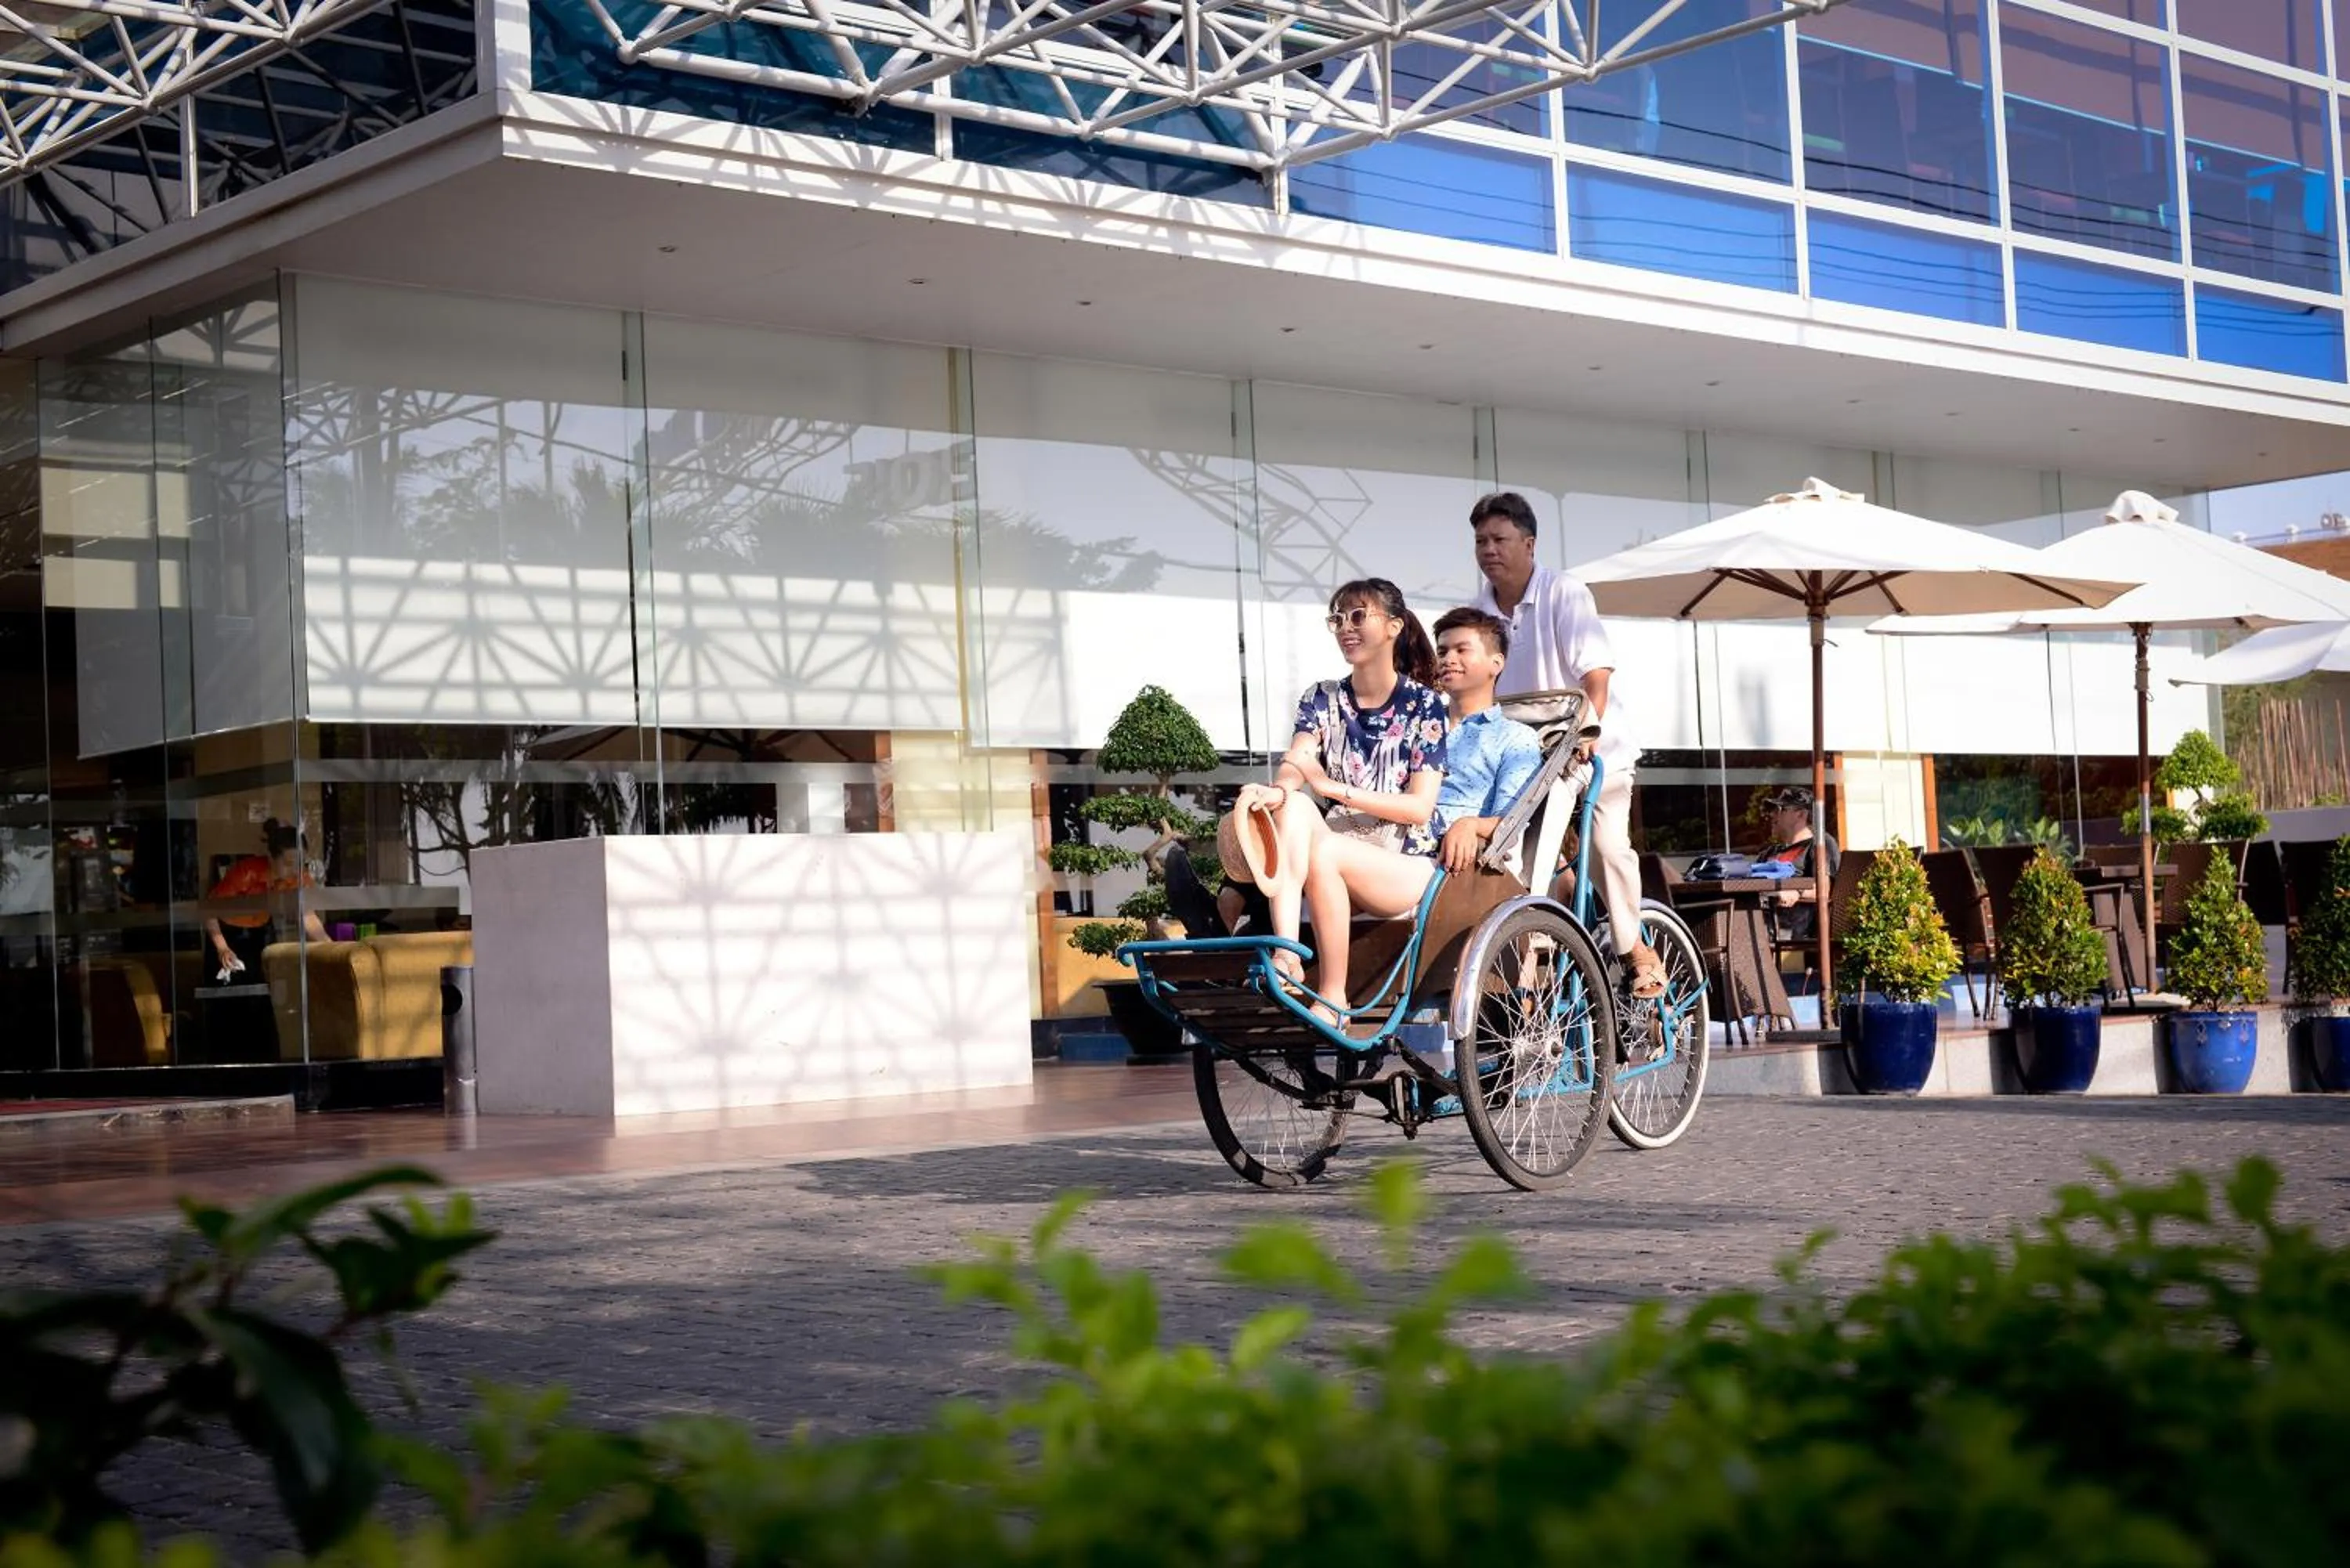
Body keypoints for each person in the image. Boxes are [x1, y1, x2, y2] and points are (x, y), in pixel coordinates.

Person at [1294, 606, 1542, 1015]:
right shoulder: (1413, 719)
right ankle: (1238, 920)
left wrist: (1473, 824)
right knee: (1296, 825)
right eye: (1443, 650)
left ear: (1496, 663)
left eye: (1463, 650)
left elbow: (1515, 816)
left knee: (1324, 852)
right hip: (1381, 843)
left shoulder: (1513, 738)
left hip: (1446, 868)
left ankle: (1331, 995)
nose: (1448, 659)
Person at [1216, 579, 1448, 1003]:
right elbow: (1297, 759)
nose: (1346, 627)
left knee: (1323, 846)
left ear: (1394, 626)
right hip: (1340, 847)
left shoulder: (1425, 704)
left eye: (1359, 616)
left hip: (1405, 862)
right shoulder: (1322, 698)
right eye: (1337, 619)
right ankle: (1288, 953)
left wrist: (1330, 787)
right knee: (1296, 804)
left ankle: (1333, 995)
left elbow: (1419, 808)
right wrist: (1278, 792)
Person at [1468, 490, 1662, 997]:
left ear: (1529, 544)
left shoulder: (1563, 592)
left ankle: (1634, 949)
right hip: (1527, 762)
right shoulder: (1479, 614)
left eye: (1500, 539)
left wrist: (1585, 732)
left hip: (1593, 747)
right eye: (1481, 540)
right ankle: (1523, 959)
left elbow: (1596, 677)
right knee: (1507, 852)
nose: (1489, 549)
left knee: (1604, 847)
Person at [204, 818, 328, 983]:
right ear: (270, 856)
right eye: (289, 863)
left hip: (262, 933)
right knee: (228, 995)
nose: (295, 870)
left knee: (266, 991)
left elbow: (307, 916)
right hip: (227, 935)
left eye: (300, 863)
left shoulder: (298, 877)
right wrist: (222, 948)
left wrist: (331, 947)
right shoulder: (246, 872)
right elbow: (209, 910)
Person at [1756, 785, 1839, 942]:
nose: (1773, 815)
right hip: (1759, 919)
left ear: (1801, 814)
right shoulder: (1770, 852)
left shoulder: (1820, 845)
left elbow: (1824, 890)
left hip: (1789, 929)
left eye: (1781, 809)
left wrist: (1796, 892)